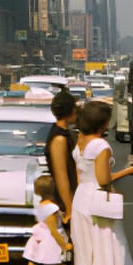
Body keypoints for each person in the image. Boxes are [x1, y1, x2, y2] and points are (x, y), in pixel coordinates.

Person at [72, 100, 133, 265]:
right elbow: (103, 179)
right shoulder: (101, 146)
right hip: (97, 200)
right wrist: (130, 171)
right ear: (102, 123)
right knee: (102, 251)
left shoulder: (80, 143)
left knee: (87, 251)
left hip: (81, 197)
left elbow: (81, 176)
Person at [17, 174, 72, 265]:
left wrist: (62, 217)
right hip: (52, 242)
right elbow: (53, 230)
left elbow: (51, 222)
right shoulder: (51, 207)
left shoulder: (41, 205)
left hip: (40, 239)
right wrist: (65, 246)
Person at [46, 90, 79, 224]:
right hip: (64, 201)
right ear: (71, 111)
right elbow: (61, 176)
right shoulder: (59, 138)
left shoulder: (66, 133)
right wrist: (69, 208)